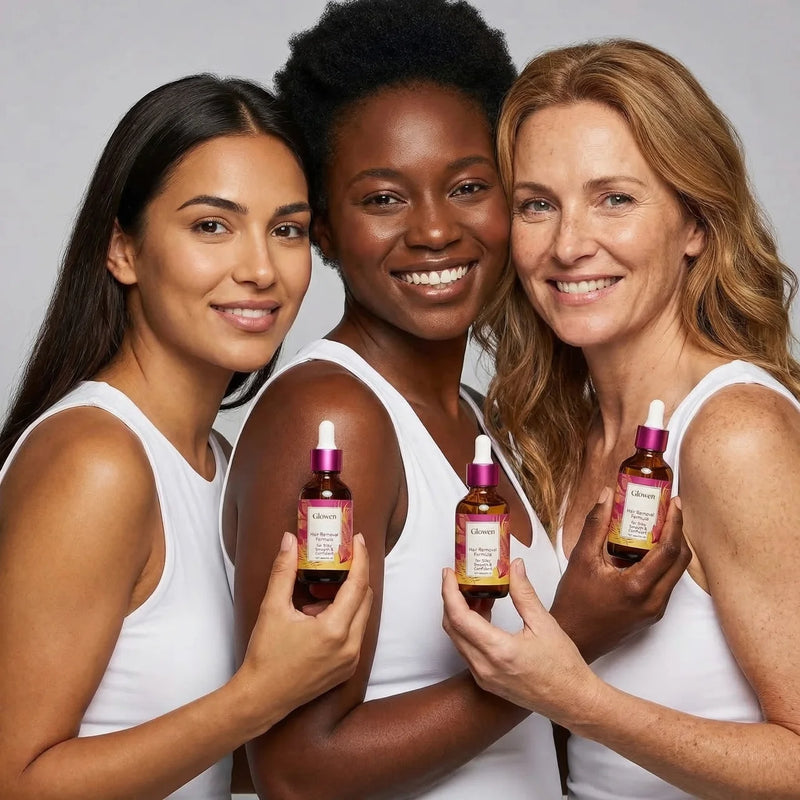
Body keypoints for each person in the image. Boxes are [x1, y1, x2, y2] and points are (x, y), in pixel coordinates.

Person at [221, 6, 689, 799]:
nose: (435, 230)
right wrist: (570, 637)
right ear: (324, 230)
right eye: (383, 199)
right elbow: (295, 771)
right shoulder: (332, 418)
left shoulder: (484, 419)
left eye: (469, 187)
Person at [443, 39, 800, 799]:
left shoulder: (734, 433)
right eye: (538, 205)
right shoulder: (561, 438)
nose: (569, 246)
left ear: (695, 223)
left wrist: (575, 699)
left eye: (615, 198)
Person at [0, 74, 372, 800]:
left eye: (287, 230)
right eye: (211, 226)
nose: (260, 269)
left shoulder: (222, 465)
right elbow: (14, 781)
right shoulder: (97, 462)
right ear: (123, 250)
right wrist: (261, 695)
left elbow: (187, 753)